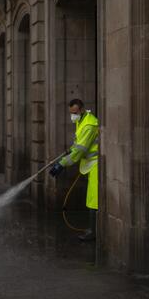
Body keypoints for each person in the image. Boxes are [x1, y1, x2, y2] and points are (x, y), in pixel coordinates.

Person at [49, 98, 99, 242]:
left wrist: (62, 164)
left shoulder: (90, 125)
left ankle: (93, 232)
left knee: (93, 199)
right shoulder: (81, 120)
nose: (73, 116)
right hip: (89, 163)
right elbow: (77, 144)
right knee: (91, 197)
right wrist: (68, 152)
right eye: (71, 113)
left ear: (82, 110)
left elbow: (80, 150)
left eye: (75, 113)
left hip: (96, 164)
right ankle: (92, 230)